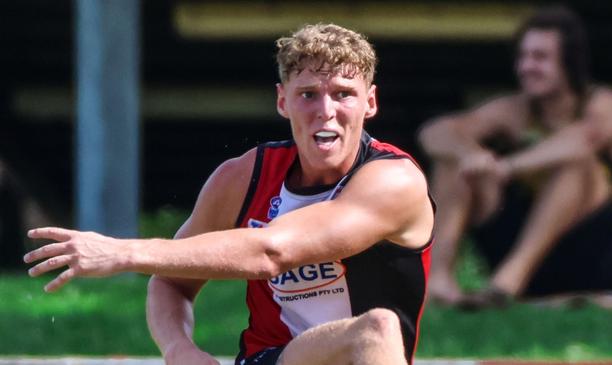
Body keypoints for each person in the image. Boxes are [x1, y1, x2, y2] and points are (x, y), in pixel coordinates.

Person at [24, 24, 435, 365]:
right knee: (376, 328)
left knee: (377, 329)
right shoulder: (244, 177)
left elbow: (272, 252)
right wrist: (177, 348)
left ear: (370, 103)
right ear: (282, 101)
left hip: (356, 352)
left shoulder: (394, 180)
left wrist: (122, 252)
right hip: (270, 360)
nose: (326, 111)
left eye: (343, 93)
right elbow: (170, 282)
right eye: (308, 94)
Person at [418, 6, 612, 307]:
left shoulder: (604, 103)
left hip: (598, 258)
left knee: (578, 164)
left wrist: (509, 167)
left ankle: (505, 285)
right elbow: (434, 132)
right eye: (523, 57)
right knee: (454, 161)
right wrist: (471, 154)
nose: (526, 67)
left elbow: (586, 138)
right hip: (531, 260)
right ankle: (439, 281)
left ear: (570, 63)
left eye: (540, 57)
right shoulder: (514, 110)